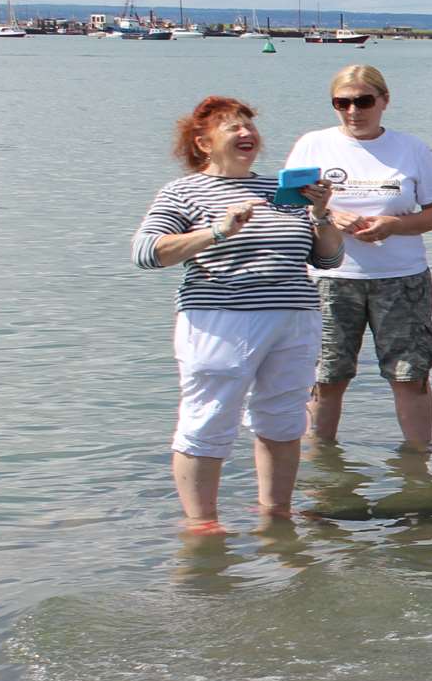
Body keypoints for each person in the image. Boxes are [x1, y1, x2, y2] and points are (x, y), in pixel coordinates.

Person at [132, 96, 343, 524]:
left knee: (285, 420)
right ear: (203, 143)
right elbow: (146, 253)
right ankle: (202, 522)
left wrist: (321, 214)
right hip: (220, 320)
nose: (246, 133)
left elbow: (328, 261)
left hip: (294, 318)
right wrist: (217, 230)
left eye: (249, 125)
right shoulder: (183, 191)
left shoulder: (283, 191)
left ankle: (276, 512)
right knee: (207, 419)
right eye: (233, 127)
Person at [283, 65, 432, 449]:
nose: (353, 111)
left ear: (384, 101)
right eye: (342, 103)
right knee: (327, 376)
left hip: (402, 278)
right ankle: (321, 470)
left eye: (363, 101)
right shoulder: (313, 144)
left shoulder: (411, 148)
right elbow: (286, 208)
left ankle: (418, 466)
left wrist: (393, 224)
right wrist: (329, 215)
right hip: (332, 278)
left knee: (410, 374)